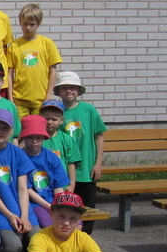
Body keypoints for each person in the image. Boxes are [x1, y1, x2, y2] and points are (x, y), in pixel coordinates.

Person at [0, 109, 39, 252]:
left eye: (5, 128)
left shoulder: (18, 153)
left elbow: (23, 189)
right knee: (13, 247)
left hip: (21, 207)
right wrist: (10, 215)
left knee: (38, 241)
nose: (0, 131)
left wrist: (24, 216)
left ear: (11, 131)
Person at [54, 71, 106, 234]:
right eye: (64, 88)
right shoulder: (56, 112)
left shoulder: (88, 110)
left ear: (79, 90)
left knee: (86, 209)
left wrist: (98, 164)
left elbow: (99, 136)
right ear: (58, 91)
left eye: (73, 87)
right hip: (65, 171)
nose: (69, 91)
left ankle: (84, 239)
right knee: (65, 209)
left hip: (86, 169)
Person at [7, 3, 62, 116]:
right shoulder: (14, 46)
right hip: (20, 99)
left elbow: (53, 70)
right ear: (20, 23)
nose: (28, 28)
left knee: (39, 126)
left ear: (39, 23)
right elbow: (9, 73)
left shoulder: (47, 44)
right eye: (25, 24)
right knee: (21, 127)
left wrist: (49, 95)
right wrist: (11, 98)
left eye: (32, 24)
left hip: (40, 99)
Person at [19, 115, 69, 228]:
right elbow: (27, 190)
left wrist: (59, 205)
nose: (34, 141)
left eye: (38, 137)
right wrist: (48, 206)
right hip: (34, 202)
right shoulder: (20, 158)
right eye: (30, 137)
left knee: (75, 223)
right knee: (48, 224)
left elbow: (58, 186)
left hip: (53, 199)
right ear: (24, 137)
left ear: (44, 137)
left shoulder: (52, 157)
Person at [40, 98, 79, 191]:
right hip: (41, 184)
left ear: (61, 120)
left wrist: (72, 184)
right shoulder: (37, 138)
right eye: (46, 118)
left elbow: (71, 163)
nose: (50, 122)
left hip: (61, 184)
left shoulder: (67, 139)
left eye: (54, 119)